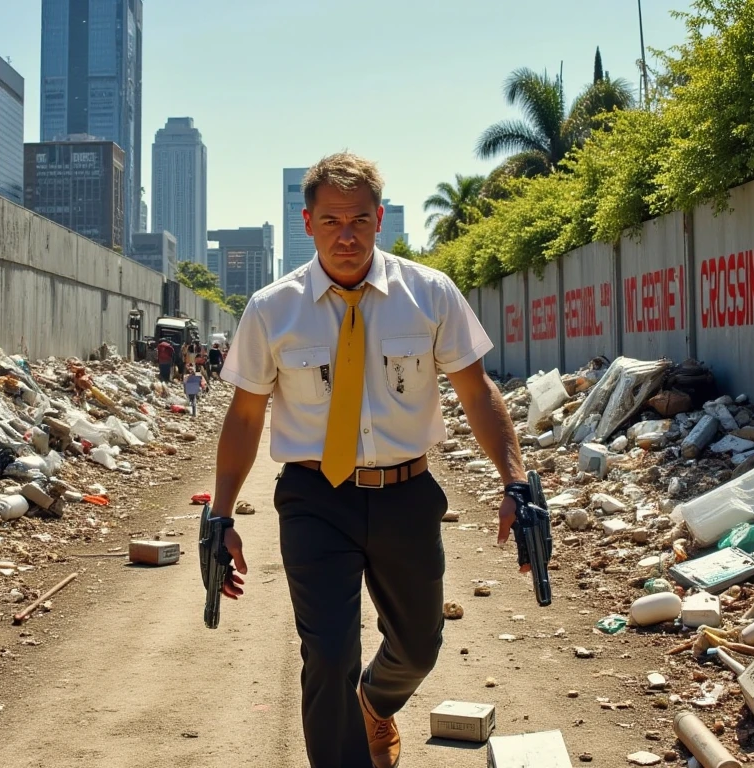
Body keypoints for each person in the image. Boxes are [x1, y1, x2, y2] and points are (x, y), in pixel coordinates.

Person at [213, 153, 527, 768]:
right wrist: (220, 514)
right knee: (327, 654)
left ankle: (376, 706)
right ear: (308, 222)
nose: (347, 234)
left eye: (359, 218)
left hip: (406, 495)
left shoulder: (430, 294)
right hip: (313, 499)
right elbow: (246, 416)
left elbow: (476, 391)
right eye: (331, 220)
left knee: (418, 648)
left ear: (380, 218)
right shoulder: (272, 310)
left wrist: (515, 478)